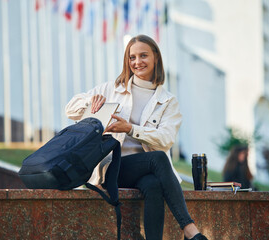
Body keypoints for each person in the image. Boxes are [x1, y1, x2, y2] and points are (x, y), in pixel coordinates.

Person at [65, 35, 207, 240]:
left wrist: (131, 128)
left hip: (143, 169)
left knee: (153, 185)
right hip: (111, 168)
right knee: (158, 158)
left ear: (156, 57)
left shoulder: (168, 101)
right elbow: (70, 109)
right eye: (132, 57)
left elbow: (166, 139)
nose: (137, 62)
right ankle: (190, 229)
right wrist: (89, 100)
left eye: (143, 56)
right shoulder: (110, 89)